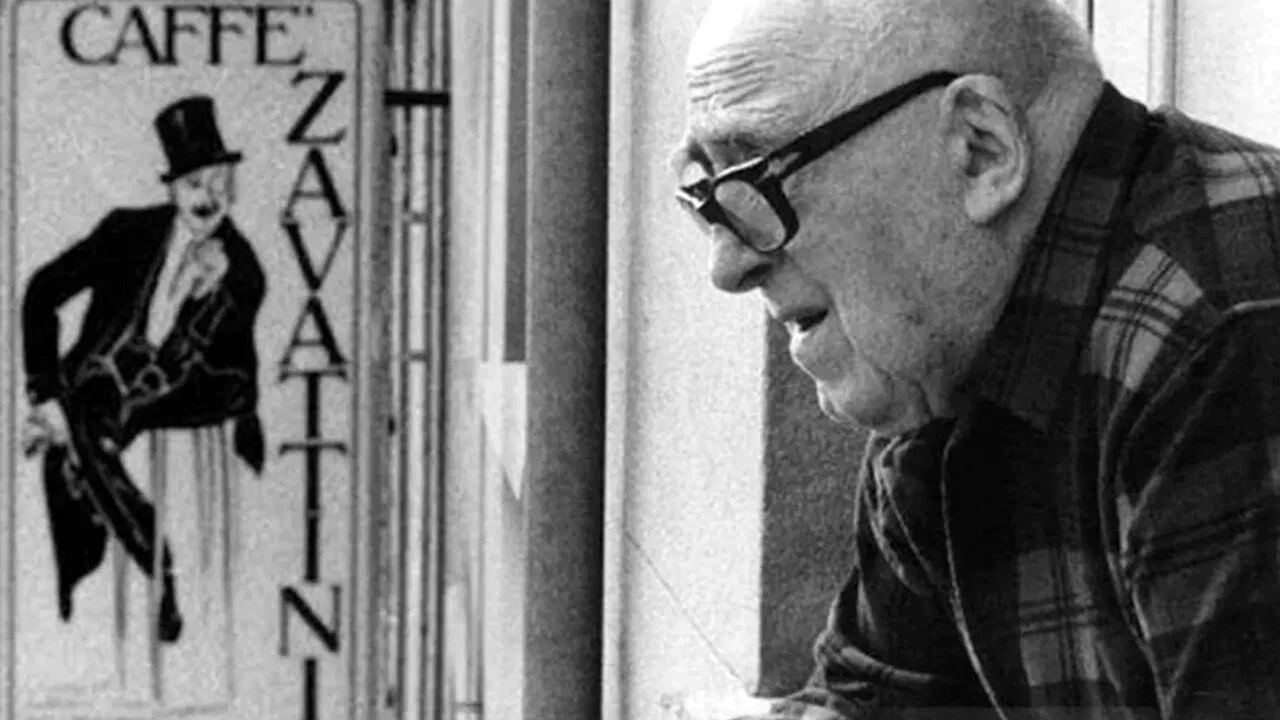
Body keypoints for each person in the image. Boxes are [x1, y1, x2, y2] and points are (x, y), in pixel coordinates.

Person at [674, 0, 1280, 717]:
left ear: (981, 148)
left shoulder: (1226, 325)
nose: (728, 265)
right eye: (706, 197)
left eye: (756, 183)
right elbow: (875, 702)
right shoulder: (940, 354)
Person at [21, 94, 267, 645]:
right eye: (194, 184)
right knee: (83, 418)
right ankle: (152, 563)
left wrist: (208, 291)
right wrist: (44, 394)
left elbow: (206, 356)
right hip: (108, 382)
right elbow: (40, 292)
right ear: (172, 189)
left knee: (85, 422)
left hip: (199, 385)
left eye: (220, 183)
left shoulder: (243, 268)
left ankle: (156, 568)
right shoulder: (126, 232)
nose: (209, 199)